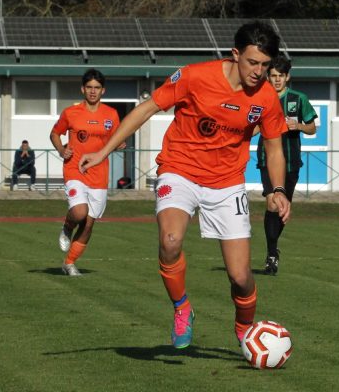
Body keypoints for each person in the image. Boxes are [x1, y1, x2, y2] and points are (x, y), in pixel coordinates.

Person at [79, 21, 291, 349]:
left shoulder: (265, 97)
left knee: (240, 276)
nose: (258, 72)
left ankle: (245, 328)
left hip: (227, 183)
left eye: (265, 65)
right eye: (252, 62)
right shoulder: (194, 76)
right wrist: (103, 150)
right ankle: (182, 308)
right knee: (171, 239)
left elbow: (275, 146)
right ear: (235, 55)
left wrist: (277, 190)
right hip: (180, 169)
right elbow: (147, 109)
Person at [49, 68, 124, 276]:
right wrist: (62, 150)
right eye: (89, 87)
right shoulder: (71, 113)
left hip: (99, 174)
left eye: (97, 88)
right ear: (83, 89)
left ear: (103, 91)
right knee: (80, 212)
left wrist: (119, 144)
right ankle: (67, 225)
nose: (93, 91)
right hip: (75, 169)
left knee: (89, 223)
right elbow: (55, 133)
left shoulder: (111, 114)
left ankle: (69, 263)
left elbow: (116, 138)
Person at [255, 54, 318, 275]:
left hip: (291, 162)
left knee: (281, 209)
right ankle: (272, 254)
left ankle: (273, 249)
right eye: (273, 76)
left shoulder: (298, 98)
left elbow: (312, 128)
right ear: (268, 77)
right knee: (272, 203)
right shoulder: (261, 98)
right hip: (266, 159)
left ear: (287, 77)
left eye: (280, 76)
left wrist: (298, 125)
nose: (277, 80)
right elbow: (253, 127)